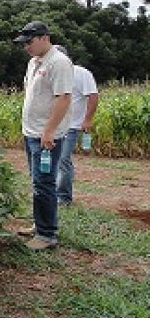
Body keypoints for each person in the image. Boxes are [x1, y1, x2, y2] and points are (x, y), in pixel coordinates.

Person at [13, 21, 73, 251]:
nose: (26, 47)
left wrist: (48, 130)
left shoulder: (59, 62)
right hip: (31, 133)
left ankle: (47, 235)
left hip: (46, 137)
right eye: (24, 43)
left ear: (44, 38)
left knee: (44, 183)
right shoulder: (34, 62)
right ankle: (40, 224)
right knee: (37, 181)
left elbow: (63, 98)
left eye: (29, 42)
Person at [54, 45, 98, 205]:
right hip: (54, 125)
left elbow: (93, 96)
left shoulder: (81, 73)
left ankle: (64, 197)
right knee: (56, 160)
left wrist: (87, 120)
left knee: (63, 159)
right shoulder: (54, 74)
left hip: (72, 125)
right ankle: (55, 193)